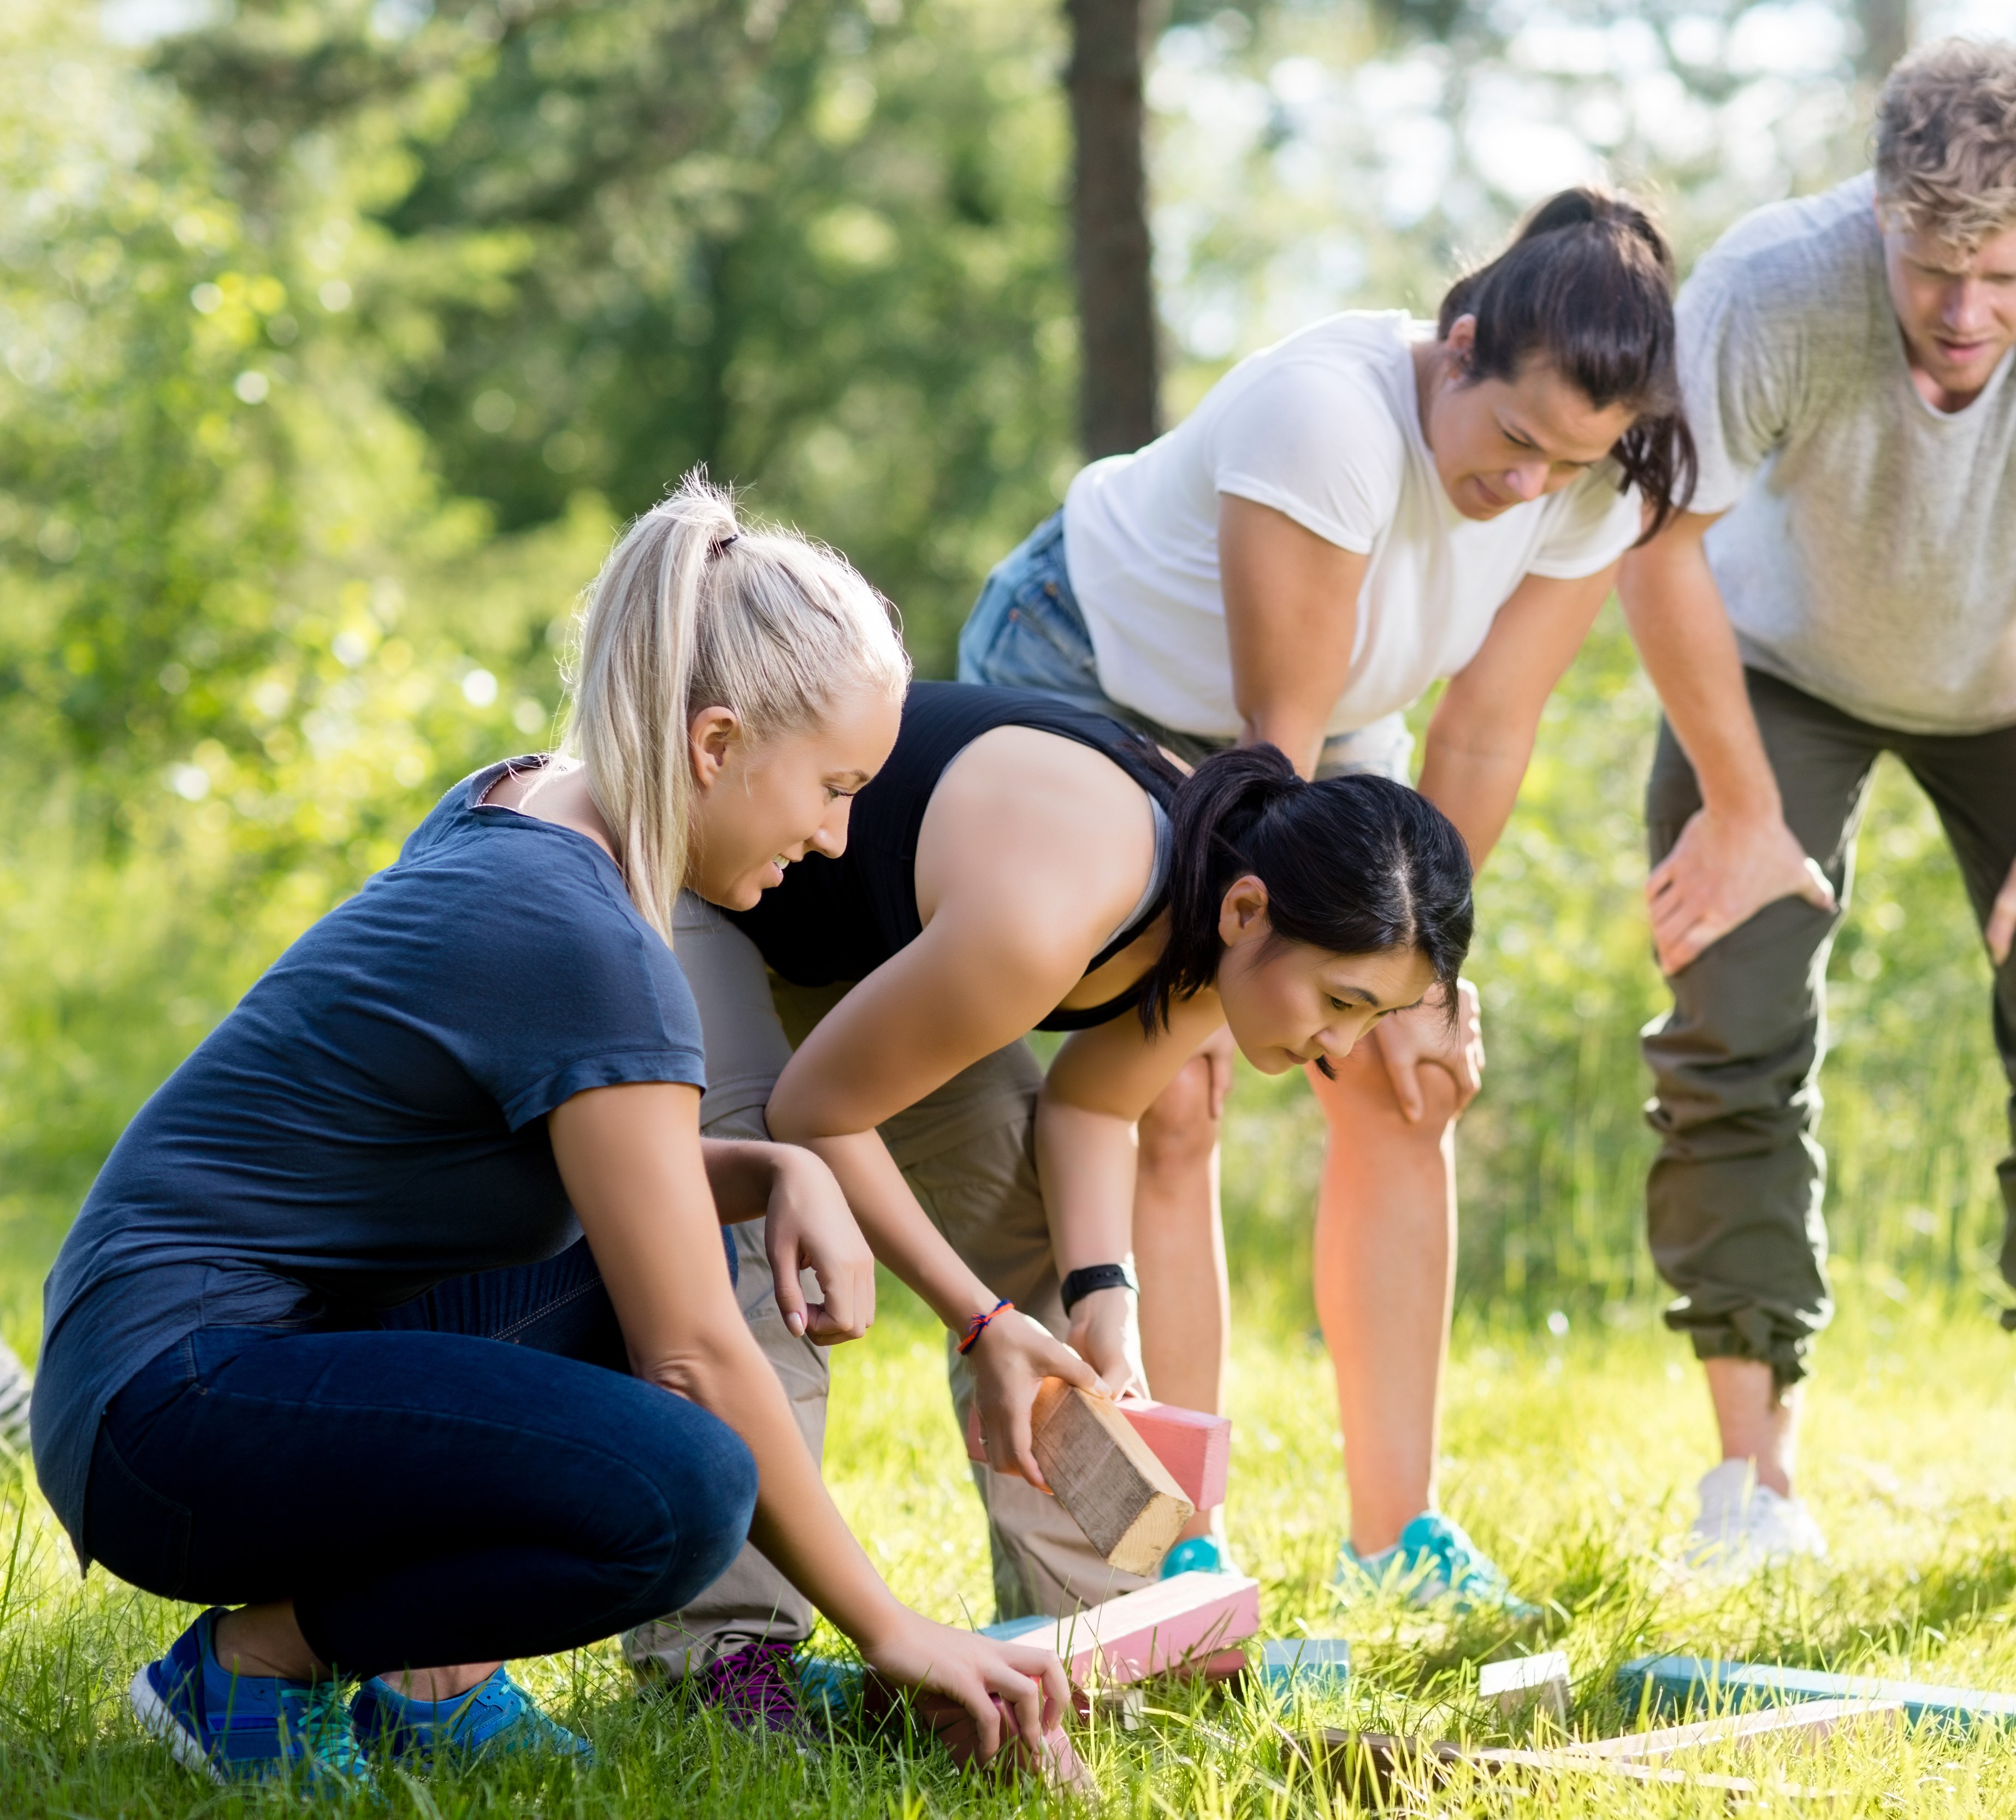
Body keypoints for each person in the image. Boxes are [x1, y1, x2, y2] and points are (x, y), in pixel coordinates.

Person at [28, 478, 1080, 1787]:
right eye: (832, 786)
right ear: (713, 743)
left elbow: (594, 1175)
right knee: (683, 1487)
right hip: (168, 1409)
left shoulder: (530, 807)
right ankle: (251, 1666)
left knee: (667, 1244)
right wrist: (896, 1628)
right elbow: (695, 1353)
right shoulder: (580, 932)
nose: (838, 834)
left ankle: (431, 1670)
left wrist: (777, 1163)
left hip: (171, 1361)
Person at [955, 185, 1693, 1609]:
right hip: (1093, 674)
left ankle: (1395, 1538)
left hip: (1331, 722)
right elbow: (1268, 759)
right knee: (1172, 1083)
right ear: (1457, 342)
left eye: (1571, 462)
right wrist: (1231, 991)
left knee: (1407, 1076)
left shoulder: (1594, 477)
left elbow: (1479, 733)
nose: (1529, 487)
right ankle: (1173, 1533)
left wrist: (1426, 983)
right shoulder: (1330, 421)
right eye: (1514, 441)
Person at [1618, 39, 2016, 1590]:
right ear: (1878, 210)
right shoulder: (1772, 283)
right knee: (1730, 1031)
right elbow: (1661, 552)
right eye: (1934, 263)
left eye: (2009, 276)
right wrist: (1745, 808)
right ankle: (1750, 1485)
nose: (1967, 314)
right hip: (1778, 673)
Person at [620, 691, 1476, 1721]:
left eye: (1372, 1017)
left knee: (1034, 1261)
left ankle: (1093, 1630)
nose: (1342, 1052)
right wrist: (978, 1322)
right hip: (708, 883)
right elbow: (815, 1114)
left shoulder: (1224, 911)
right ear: (1249, 911)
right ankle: (727, 1660)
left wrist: (1100, 1286)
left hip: (866, 955)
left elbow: (1090, 1104)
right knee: (773, 1230)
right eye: (1342, 1003)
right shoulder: (1060, 910)